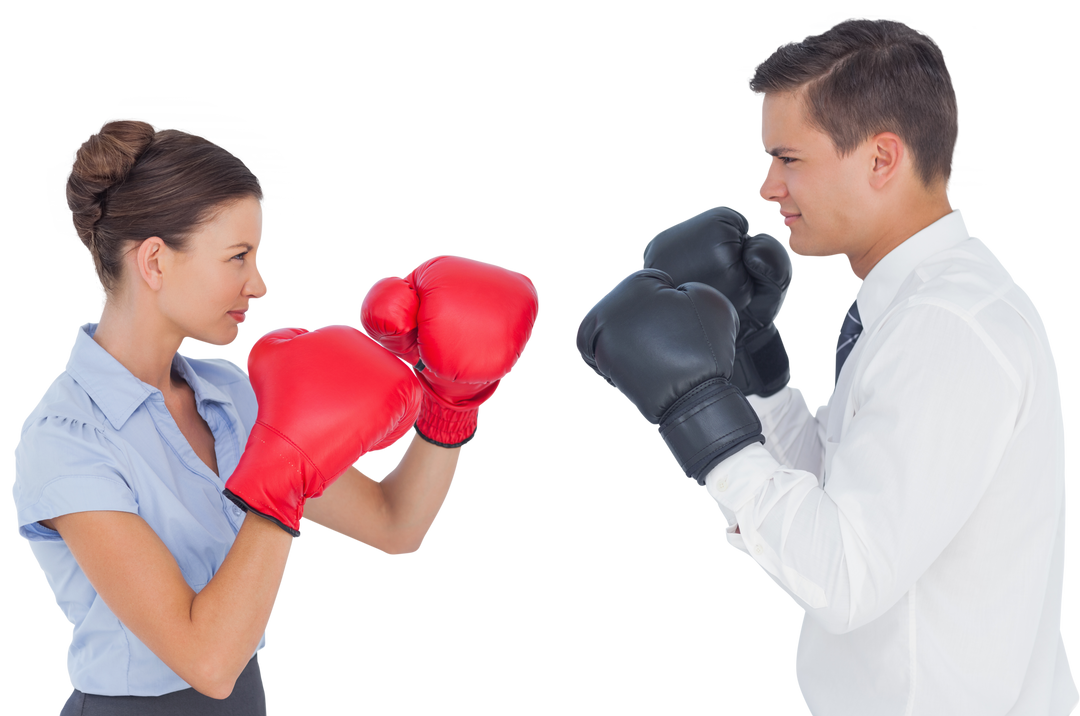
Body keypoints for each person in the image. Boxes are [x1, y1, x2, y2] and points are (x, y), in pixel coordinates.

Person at [575, 15, 1077, 715]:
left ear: (880, 159)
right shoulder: (924, 306)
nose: (767, 187)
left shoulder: (946, 328)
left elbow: (845, 576)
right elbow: (842, 500)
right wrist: (757, 372)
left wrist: (699, 417)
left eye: (789, 158)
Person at [15, 117, 540, 714]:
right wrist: (279, 486)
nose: (259, 285)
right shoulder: (67, 437)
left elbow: (396, 527)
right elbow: (206, 659)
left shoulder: (230, 394)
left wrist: (449, 405)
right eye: (237, 257)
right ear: (155, 262)